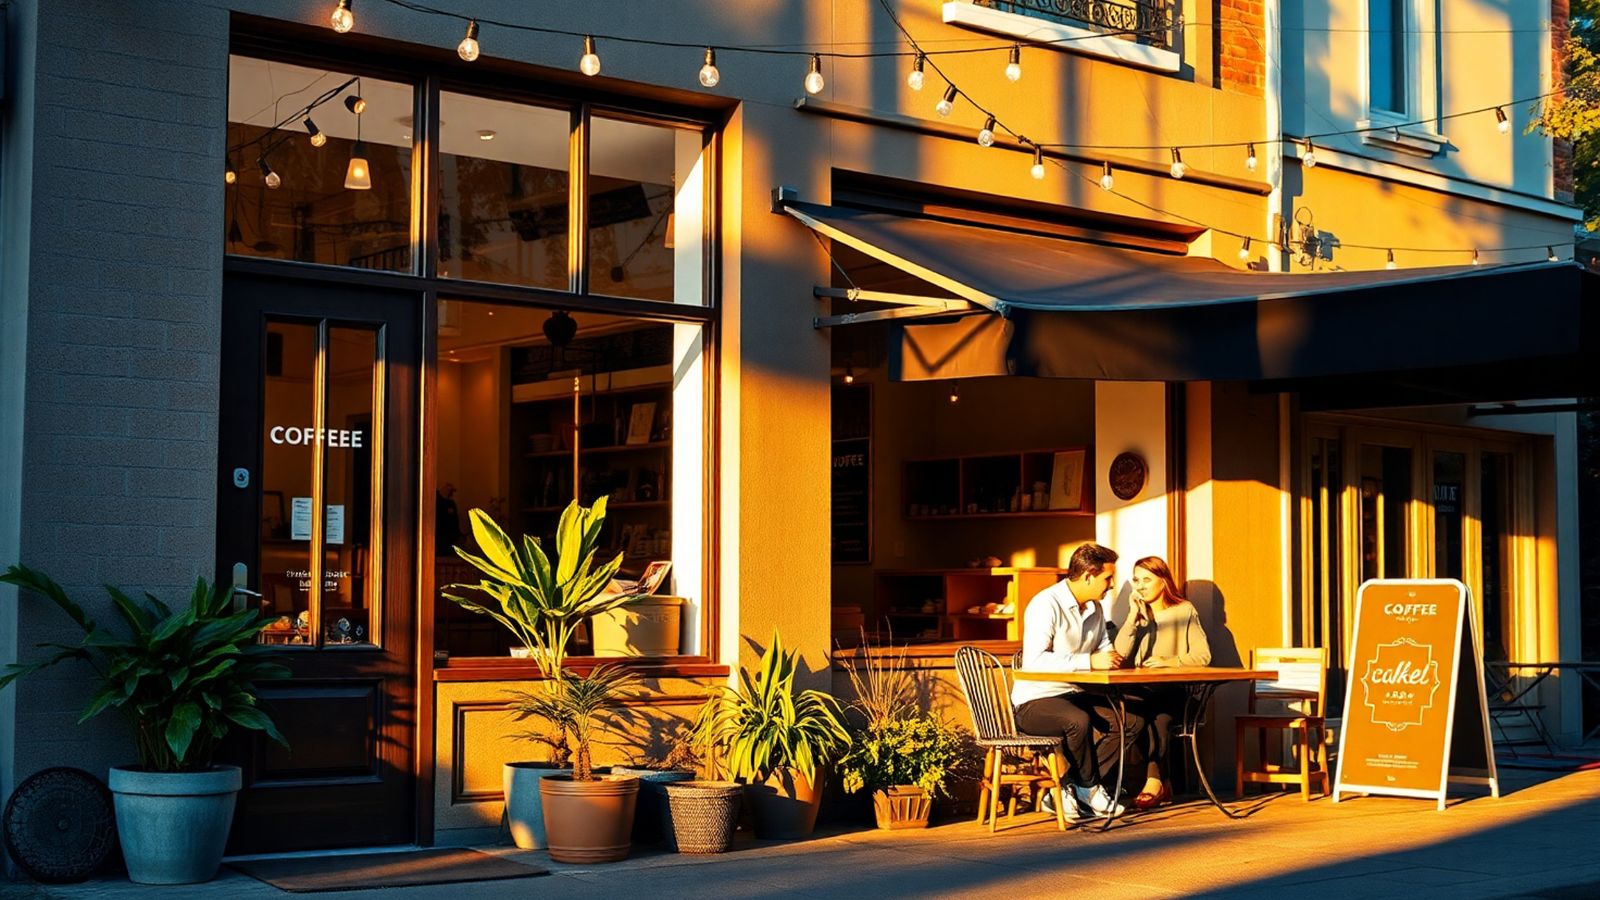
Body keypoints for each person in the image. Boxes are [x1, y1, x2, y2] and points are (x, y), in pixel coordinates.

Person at [1012, 543, 1145, 819]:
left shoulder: (1095, 609)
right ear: (1088, 576)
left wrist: (1122, 638)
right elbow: (1034, 661)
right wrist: (1089, 661)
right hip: (1035, 700)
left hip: (1073, 694)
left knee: (1131, 721)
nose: (1111, 585)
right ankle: (1089, 789)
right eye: (1107, 578)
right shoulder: (1045, 604)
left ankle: (1071, 785)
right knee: (1078, 721)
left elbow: (1107, 650)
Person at [1113, 555, 1211, 809]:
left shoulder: (1183, 610)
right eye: (1136, 580)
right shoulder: (1136, 614)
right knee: (1134, 709)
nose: (1140, 586)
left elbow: (1203, 656)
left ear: (1163, 581)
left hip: (1176, 692)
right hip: (1141, 691)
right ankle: (1158, 780)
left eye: (1147, 579)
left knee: (1158, 712)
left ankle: (1154, 780)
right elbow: (1119, 655)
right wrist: (1132, 619)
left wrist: (1170, 661)